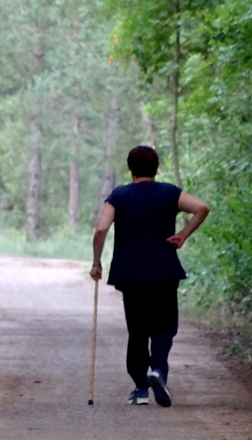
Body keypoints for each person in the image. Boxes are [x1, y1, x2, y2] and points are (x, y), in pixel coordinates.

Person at [90, 146, 210, 408]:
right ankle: (157, 369)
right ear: (156, 169)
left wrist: (97, 263)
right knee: (164, 327)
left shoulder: (119, 195)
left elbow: (101, 229)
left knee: (137, 331)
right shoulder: (169, 193)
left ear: (130, 169)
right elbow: (202, 207)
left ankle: (141, 388)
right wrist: (183, 235)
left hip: (130, 274)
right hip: (164, 271)